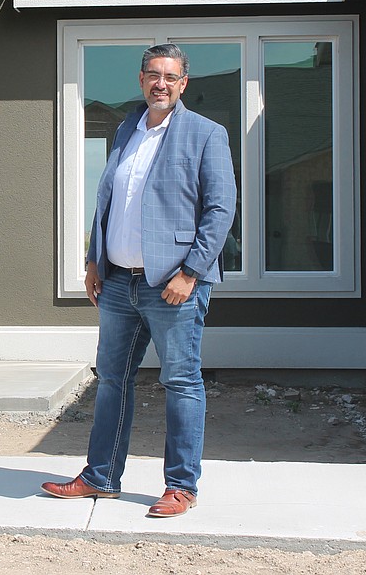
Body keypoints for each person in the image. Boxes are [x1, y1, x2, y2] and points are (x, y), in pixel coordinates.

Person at [41, 43, 236, 518]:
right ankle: (100, 477)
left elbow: (220, 210)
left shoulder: (206, 134)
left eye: (170, 76)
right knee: (112, 380)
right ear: (141, 78)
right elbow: (107, 200)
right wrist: (93, 260)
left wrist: (190, 272)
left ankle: (181, 487)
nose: (160, 84)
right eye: (153, 75)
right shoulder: (127, 129)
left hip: (173, 285)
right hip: (118, 285)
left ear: (184, 83)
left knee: (182, 381)